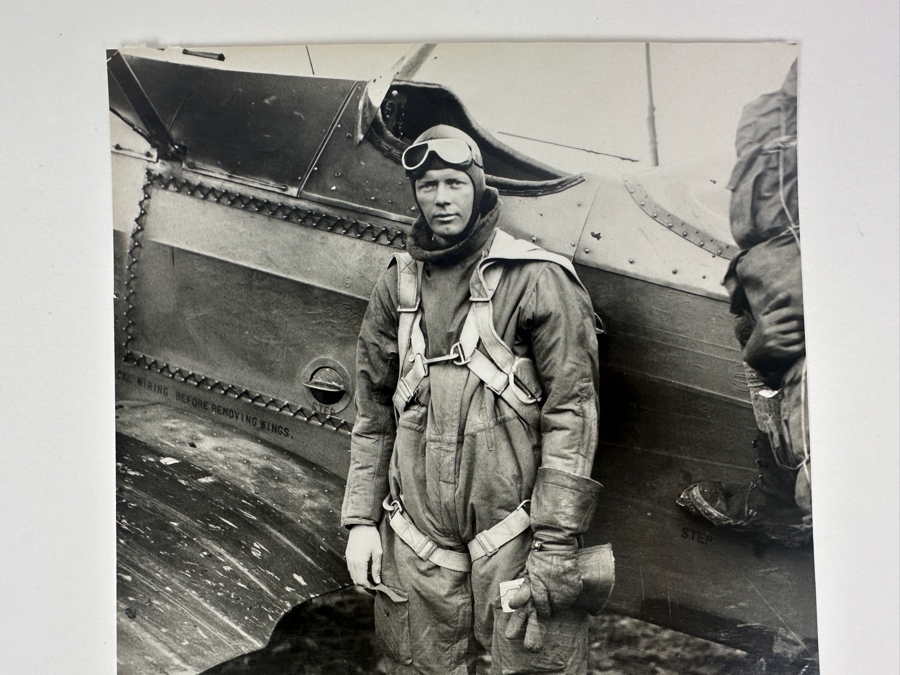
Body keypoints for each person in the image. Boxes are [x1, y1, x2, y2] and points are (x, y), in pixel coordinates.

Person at [340, 124, 603, 674]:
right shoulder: (397, 285)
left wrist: (556, 545)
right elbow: (373, 414)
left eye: (455, 183)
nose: (441, 198)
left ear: (479, 187)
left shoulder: (537, 279)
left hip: (516, 536)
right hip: (415, 537)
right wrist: (361, 521)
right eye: (427, 185)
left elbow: (572, 415)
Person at [678, 60, 811, 547]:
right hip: (772, 276)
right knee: (763, 348)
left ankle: (811, 503)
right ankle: (784, 493)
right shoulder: (767, 112)